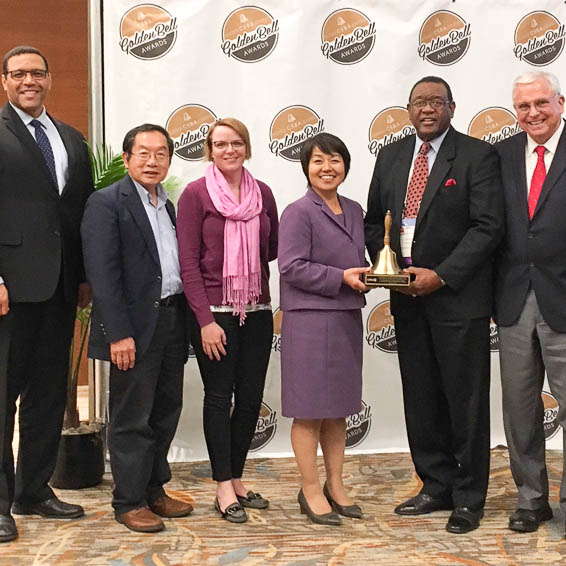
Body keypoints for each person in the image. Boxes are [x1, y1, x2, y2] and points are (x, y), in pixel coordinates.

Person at [364, 76, 504, 534]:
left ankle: (468, 498)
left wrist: (440, 275)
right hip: (406, 298)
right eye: (419, 102)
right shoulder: (391, 155)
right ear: (408, 109)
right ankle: (434, 485)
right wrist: (389, 271)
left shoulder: (477, 156)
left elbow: (487, 227)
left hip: (457, 300)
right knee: (420, 397)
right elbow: (372, 223)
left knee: (464, 401)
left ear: (452, 107)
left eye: (436, 102)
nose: (427, 109)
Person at [0, 45, 94, 542]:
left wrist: (83, 277)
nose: (29, 80)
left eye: (37, 72)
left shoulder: (71, 140)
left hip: (60, 290)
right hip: (9, 292)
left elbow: (76, 218)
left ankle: (33, 491)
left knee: (46, 395)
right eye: (19, 74)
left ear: (50, 79)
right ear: (5, 81)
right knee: (1, 398)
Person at [81, 124, 192, 533]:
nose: (152, 161)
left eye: (161, 153)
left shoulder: (168, 205)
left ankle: (153, 489)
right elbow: (103, 275)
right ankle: (128, 501)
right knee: (131, 417)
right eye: (143, 153)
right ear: (126, 159)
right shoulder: (107, 202)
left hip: (171, 320)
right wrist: (117, 333)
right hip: (132, 327)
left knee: (165, 411)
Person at [176, 118, 278, 523]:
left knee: (251, 398)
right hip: (214, 315)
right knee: (220, 397)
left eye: (236, 143)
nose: (229, 150)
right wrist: (204, 319)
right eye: (220, 144)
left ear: (247, 147)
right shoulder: (195, 195)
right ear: (210, 150)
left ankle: (236, 477)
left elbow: (271, 248)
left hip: (257, 311)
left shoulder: (263, 193)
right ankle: (221, 485)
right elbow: (187, 264)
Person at [278, 132, 368, 526]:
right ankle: (310, 489)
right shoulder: (298, 211)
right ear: (306, 168)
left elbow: (359, 259)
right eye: (318, 161)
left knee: (339, 411)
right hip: (310, 319)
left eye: (334, 160)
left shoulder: (354, 209)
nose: (327, 168)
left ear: (345, 165)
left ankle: (336, 484)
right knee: (310, 411)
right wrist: (341, 277)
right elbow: (291, 267)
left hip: (346, 316)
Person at [494, 71, 566, 534]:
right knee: (520, 408)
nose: (533, 113)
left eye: (541, 103)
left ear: (560, 102)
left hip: (564, 300)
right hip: (515, 301)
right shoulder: (499, 156)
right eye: (523, 107)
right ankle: (531, 500)